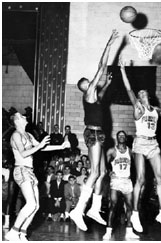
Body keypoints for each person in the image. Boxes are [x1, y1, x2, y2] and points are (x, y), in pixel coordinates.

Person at [119, 58, 161, 233]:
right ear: (139, 98)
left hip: (153, 144)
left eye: (144, 92)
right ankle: (135, 213)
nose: (142, 93)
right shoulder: (138, 108)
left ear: (148, 95)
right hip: (140, 143)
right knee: (141, 179)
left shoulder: (156, 110)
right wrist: (123, 70)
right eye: (140, 93)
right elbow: (129, 89)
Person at [70, 29, 119, 231]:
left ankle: (94, 208)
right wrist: (109, 45)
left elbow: (103, 93)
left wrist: (107, 83)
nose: (92, 84)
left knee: (103, 172)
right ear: (86, 87)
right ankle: (79, 210)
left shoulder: (95, 98)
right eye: (89, 83)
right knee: (94, 172)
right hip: (93, 133)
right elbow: (101, 66)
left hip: (98, 133)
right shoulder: (88, 93)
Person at [5, 112, 70, 241]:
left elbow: (42, 148)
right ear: (17, 120)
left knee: (36, 206)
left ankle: (22, 233)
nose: (25, 116)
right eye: (21, 116)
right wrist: (39, 145)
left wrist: (60, 146)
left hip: (30, 171)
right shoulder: (15, 135)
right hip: (21, 170)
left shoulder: (28, 135)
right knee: (30, 204)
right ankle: (12, 232)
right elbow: (23, 154)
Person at [103, 131, 139, 240]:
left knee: (130, 206)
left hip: (127, 181)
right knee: (113, 205)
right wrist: (108, 171)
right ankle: (108, 231)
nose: (121, 137)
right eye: (119, 136)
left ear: (126, 138)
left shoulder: (130, 151)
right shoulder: (112, 151)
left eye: (123, 136)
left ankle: (129, 230)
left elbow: (138, 163)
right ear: (117, 138)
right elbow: (103, 161)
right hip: (116, 181)